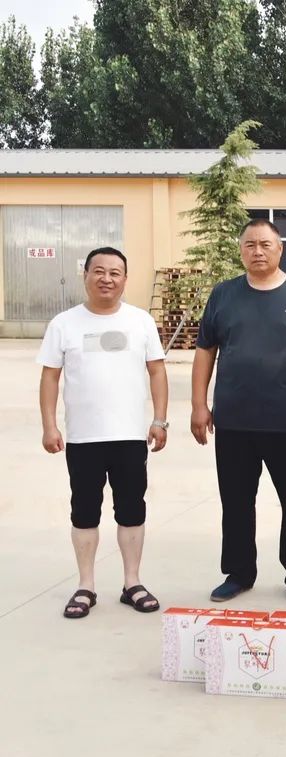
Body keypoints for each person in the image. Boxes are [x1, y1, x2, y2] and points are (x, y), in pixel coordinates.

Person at [191, 218, 286, 604]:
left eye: (265, 244)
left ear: (280, 249)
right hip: (233, 420)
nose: (257, 251)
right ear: (241, 250)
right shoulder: (224, 294)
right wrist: (199, 404)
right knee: (236, 502)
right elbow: (205, 350)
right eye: (250, 245)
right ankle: (238, 573)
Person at [38, 246, 168, 618]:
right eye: (99, 271)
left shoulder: (140, 321)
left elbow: (157, 371)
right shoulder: (64, 323)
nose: (106, 279)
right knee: (84, 512)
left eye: (115, 272)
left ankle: (132, 583)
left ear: (125, 279)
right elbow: (50, 377)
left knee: (132, 510)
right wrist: (49, 425)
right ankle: (86, 586)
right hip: (83, 438)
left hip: (130, 436)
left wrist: (159, 420)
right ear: (86, 276)